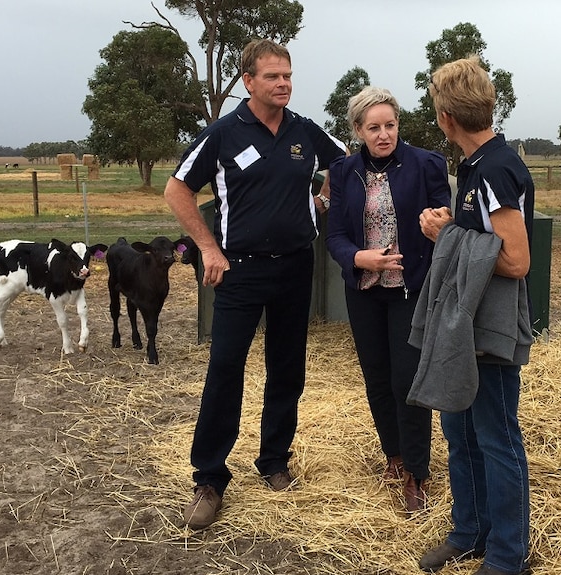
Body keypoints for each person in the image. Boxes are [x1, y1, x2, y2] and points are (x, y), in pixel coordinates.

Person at [164, 38, 347, 531]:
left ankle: (274, 461)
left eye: (287, 75)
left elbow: (345, 162)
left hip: (294, 267)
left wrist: (322, 201)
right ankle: (209, 478)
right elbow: (177, 188)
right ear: (248, 81)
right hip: (240, 269)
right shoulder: (224, 133)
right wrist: (207, 247)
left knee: (287, 368)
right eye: (272, 76)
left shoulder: (304, 131)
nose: (283, 83)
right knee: (225, 369)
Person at [414, 56, 534, 575]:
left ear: (446, 118)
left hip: (491, 328)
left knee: (497, 439)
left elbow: (515, 260)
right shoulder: (476, 167)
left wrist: (449, 237)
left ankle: (509, 557)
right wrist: (455, 226)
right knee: (459, 434)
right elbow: (485, 238)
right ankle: (470, 533)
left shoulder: (496, 169)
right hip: (464, 324)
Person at [325, 86, 451, 512]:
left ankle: (417, 472)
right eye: (374, 127)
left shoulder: (426, 164)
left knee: (407, 381)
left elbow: (444, 219)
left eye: (390, 125)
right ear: (358, 130)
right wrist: (358, 257)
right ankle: (393, 456)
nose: (384, 134)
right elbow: (336, 235)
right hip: (364, 291)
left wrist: (441, 219)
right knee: (377, 378)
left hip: (409, 290)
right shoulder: (343, 172)